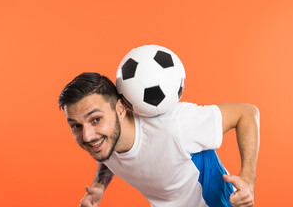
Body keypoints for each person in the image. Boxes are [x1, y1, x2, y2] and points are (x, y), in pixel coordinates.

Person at [59, 72, 260, 207]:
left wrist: (248, 180)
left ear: (120, 109)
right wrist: (99, 185)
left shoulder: (174, 125)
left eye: (96, 119)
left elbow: (247, 113)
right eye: (76, 126)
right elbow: (109, 158)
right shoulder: (104, 141)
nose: (87, 136)